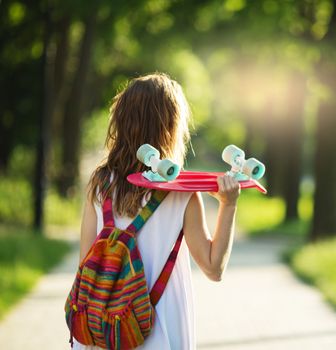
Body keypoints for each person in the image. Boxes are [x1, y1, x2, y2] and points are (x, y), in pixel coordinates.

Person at [74, 73, 240, 349]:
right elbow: (213, 268)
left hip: (101, 334)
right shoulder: (180, 193)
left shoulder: (100, 184)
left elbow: (86, 265)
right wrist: (229, 204)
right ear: (171, 127)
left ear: (121, 123)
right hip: (160, 335)